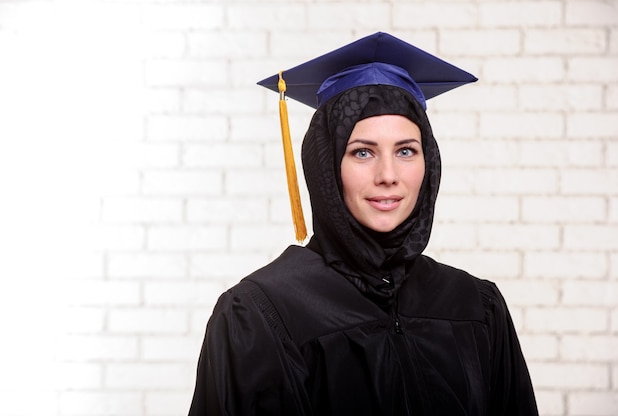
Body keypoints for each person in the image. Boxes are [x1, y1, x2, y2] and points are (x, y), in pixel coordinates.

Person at [188, 32, 538, 416]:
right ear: (325, 166)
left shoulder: (475, 305)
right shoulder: (259, 314)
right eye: (362, 152)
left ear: (430, 163)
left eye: (406, 150)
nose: (388, 175)